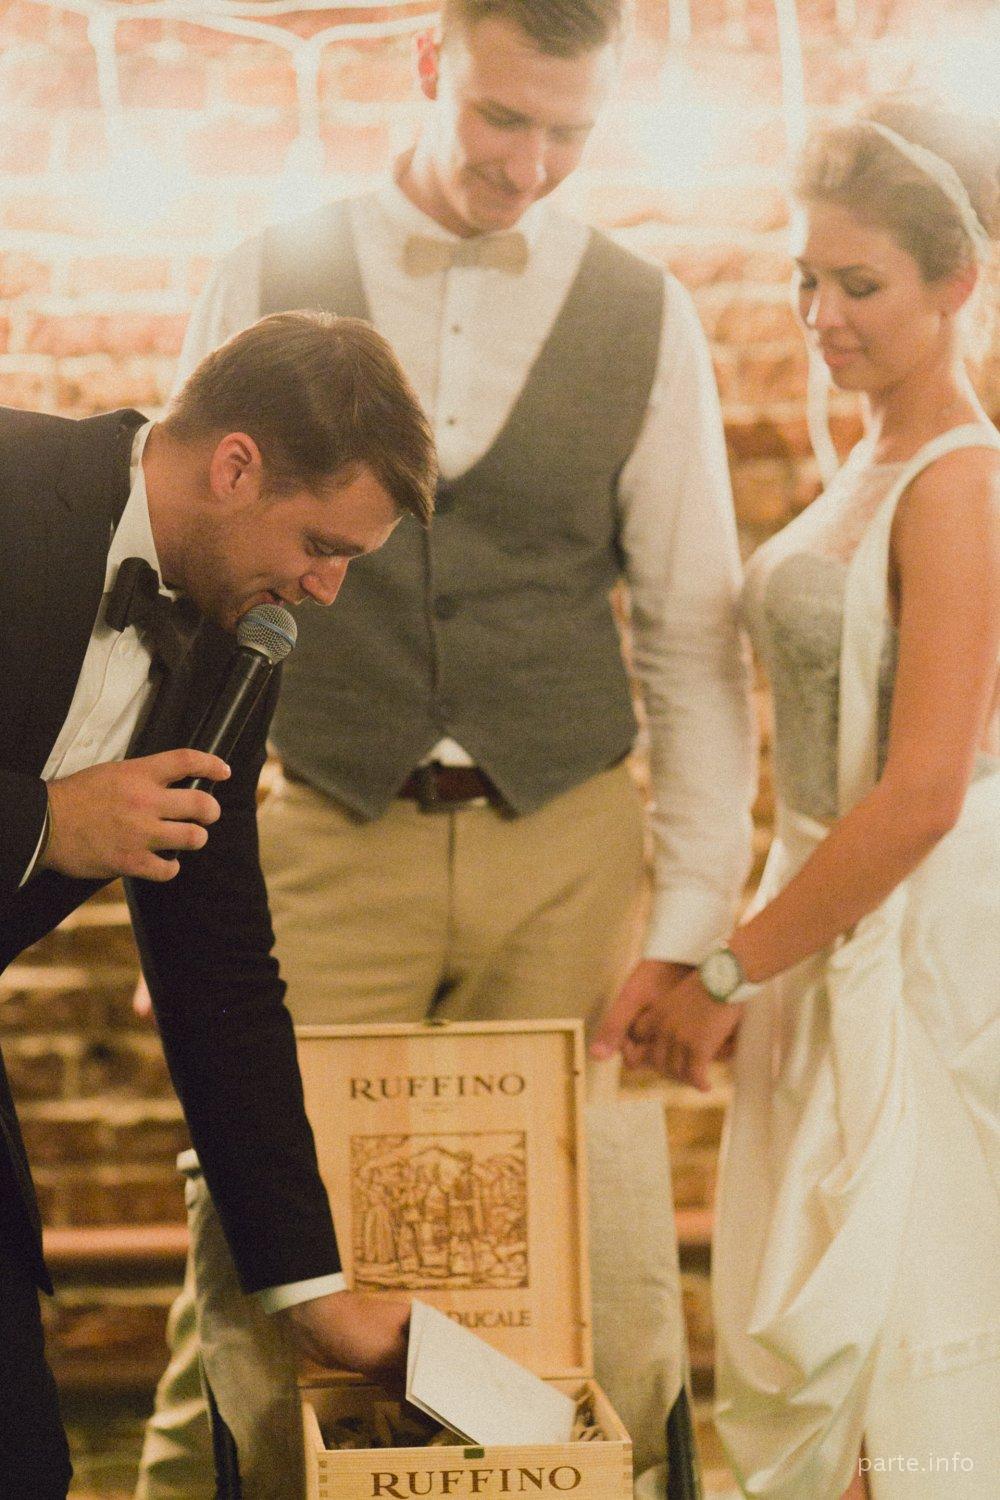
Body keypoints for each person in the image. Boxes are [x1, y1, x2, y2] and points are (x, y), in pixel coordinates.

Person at [135, 0, 756, 1493]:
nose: (527, 165)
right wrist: (174, 846)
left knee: (583, 1246)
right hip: (326, 825)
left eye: (568, 132)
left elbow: (689, 627)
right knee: (261, 1231)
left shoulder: (646, 308)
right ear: (429, 65)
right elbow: (186, 568)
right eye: (500, 116)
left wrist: (689, 919)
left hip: (566, 839)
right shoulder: (263, 269)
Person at [594, 94, 1000, 1498]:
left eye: (860, 284)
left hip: (920, 941)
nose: (822, 315)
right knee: (827, 1304)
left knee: (902, 1314)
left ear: (954, 283)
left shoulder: (960, 482)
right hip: (822, 915)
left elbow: (926, 791)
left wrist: (729, 967)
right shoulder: (867, 462)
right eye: (804, 278)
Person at [0, 309, 436, 1498]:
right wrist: (44, 822)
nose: (328, 589)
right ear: (235, 465)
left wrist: (315, 1292)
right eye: (322, 543)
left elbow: (221, 969)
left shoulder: (237, 650)